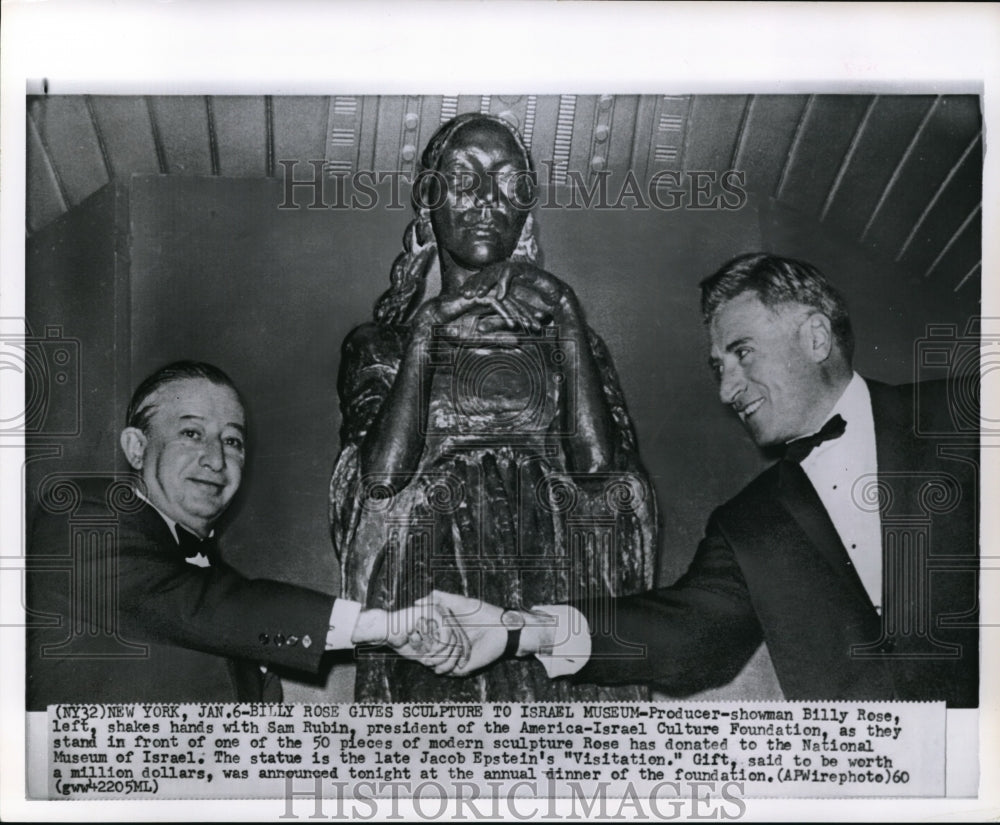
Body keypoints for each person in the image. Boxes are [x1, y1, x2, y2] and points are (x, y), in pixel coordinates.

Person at [425, 253, 979, 708]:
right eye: (718, 368)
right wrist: (518, 631)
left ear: (815, 338)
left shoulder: (968, 415)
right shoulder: (747, 524)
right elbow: (683, 636)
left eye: (741, 354)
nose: (727, 390)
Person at [330, 113, 657, 702]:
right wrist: (428, 328)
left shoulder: (570, 345)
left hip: (556, 588)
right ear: (428, 200)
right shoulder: (382, 345)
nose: (487, 201)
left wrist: (567, 314)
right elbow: (377, 481)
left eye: (509, 183)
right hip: (436, 604)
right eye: (465, 178)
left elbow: (603, 475)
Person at [26, 361, 462, 708]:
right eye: (191, 433)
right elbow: (196, 608)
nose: (216, 459)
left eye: (232, 441)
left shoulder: (218, 582)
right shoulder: (77, 516)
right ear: (136, 448)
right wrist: (378, 624)